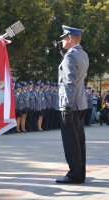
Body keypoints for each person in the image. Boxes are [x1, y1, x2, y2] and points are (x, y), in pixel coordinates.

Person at [56, 25, 89, 184]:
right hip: (80, 104)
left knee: (70, 142)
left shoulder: (70, 57)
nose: (62, 40)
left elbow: (69, 83)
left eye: (63, 37)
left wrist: (67, 106)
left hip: (70, 105)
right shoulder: (82, 54)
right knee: (79, 141)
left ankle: (74, 174)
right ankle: (80, 173)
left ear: (69, 38)